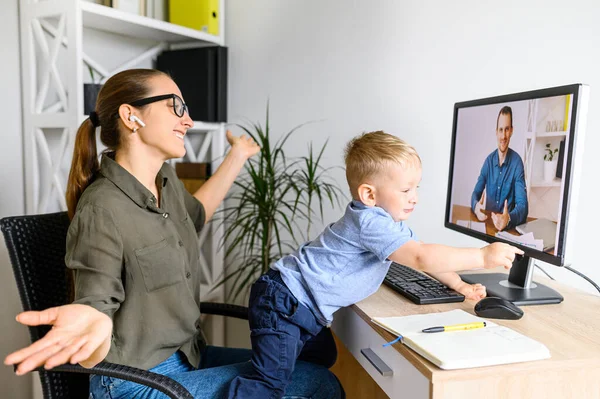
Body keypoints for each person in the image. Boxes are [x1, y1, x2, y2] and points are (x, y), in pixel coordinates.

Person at [4, 69, 343, 399]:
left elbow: (196, 215)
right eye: (176, 107)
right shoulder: (102, 208)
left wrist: (237, 156)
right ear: (131, 116)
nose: (188, 121)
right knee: (319, 383)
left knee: (310, 358)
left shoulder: (165, 181)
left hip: (188, 356)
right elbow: (95, 304)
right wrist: (94, 326)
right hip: (136, 380)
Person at [227, 131, 524, 399]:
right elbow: (421, 256)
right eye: (406, 190)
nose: (415, 198)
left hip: (299, 306)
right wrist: (483, 257)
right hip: (285, 303)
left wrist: (458, 285)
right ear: (369, 194)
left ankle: (274, 378)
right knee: (268, 383)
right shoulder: (370, 223)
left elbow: (422, 258)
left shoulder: (386, 223)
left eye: (416, 188)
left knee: (322, 356)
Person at [471, 106, 528, 231]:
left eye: (507, 129)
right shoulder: (488, 162)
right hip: (488, 227)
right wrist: (476, 208)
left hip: (508, 232)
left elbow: (523, 207)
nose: (503, 136)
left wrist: (508, 219)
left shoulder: (517, 163)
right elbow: (475, 193)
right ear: (496, 131)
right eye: (501, 130)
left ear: (512, 131)